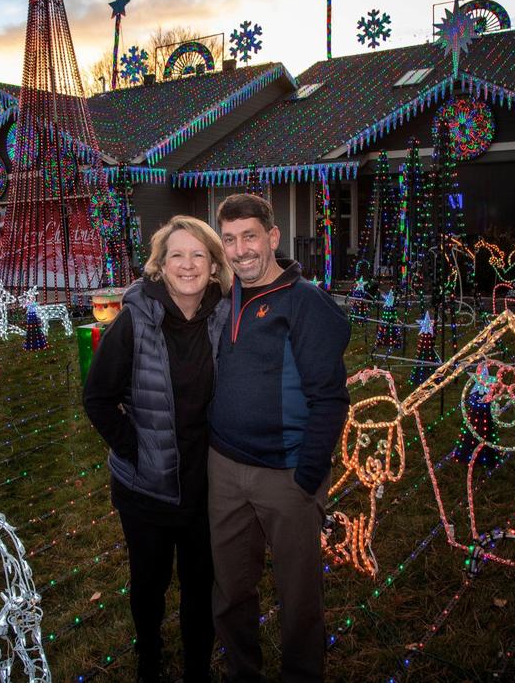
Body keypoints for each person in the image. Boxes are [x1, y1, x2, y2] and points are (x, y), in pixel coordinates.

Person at [208, 193, 351, 682]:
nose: (240, 249)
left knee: (298, 597)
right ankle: (242, 673)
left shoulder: (305, 302)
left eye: (250, 236)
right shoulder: (223, 298)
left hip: (287, 474)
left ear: (272, 237)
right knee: (230, 591)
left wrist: (307, 475)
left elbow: (330, 399)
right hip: (224, 469)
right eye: (229, 239)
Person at [83, 215, 232, 683]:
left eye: (198, 255)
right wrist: (136, 451)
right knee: (149, 584)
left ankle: (196, 669)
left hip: (206, 486)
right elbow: (98, 398)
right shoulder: (135, 321)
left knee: (199, 586)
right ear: (160, 266)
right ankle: (148, 659)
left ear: (212, 266)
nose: (187, 265)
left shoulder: (227, 317)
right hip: (146, 491)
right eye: (176, 255)